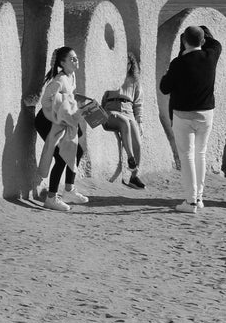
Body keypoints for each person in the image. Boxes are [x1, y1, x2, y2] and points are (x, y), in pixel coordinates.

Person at [159, 25, 221, 214]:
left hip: (183, 115)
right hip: (205, 114)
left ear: (184, 41)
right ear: (202, 41)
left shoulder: (179, 63)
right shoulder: (211, 56)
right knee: (200, 154)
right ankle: (199, 198)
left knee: (187, 157)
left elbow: (164, 88)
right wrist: (203, 33)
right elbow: (216, 43)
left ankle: (190, 201)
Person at [30, 46, 89, 212]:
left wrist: (86, 104)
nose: (76, 61)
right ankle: (51, 198)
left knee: (77, 150)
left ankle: (69, 189)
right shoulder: (59, 80)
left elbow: (70, 96)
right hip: (46, 121)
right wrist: (60, 112)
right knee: (62, 156)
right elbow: (45, 102)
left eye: (76, 58)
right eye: (72, 59)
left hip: (61, 120)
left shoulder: (71, 76)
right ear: (62, 63)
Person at [100, 52, 146, 190]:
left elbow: (138, 104)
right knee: (123, 122)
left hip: (129, 110)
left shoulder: (134, 82)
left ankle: (134, 176)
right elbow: (102, 98)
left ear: (131, 65)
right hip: (111, 109)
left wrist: (140, 122)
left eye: (126, 63)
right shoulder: (110, 77)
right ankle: (130, 159)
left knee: (137, 141)